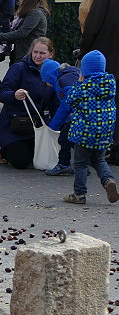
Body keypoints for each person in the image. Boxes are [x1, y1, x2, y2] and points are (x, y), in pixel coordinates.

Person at [62, 50, 117, 204]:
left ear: (85, 69)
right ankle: (108, 180)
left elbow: (70, 100)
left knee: (81, 163)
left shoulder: (84, 87)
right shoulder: (110, 85)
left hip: (84, 133)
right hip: (104, 132)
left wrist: (79, 83)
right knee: (99, 159)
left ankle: (79, 194)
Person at [0, 37, 58, 169]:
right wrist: (14, 95)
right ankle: (5, 150)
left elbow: (55, 102)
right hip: (16, 124)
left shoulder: (54, 71)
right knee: (22, 162)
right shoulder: (18, 68)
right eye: (35, 52)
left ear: (51, 54)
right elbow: (2, 94)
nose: (37, 56)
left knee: (44, 159)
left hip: (39, 124)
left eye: (42, 53)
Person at [79, 0, 118, 164]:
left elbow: (92, 27)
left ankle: (98, 148)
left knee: (100, 106)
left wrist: (83, 50)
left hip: (107, 60)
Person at [41, 59, 81, 175]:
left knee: (64, 138)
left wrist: (53, 126)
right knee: (75, 140)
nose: (47, 85)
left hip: (79, 115)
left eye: (46, 81)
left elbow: (66, 105)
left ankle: (64, 164)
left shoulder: (61, 82)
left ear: (50, 77)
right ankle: (82, 165)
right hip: (88, 114)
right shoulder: (74, 73)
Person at [0, 0, 47, 65]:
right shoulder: (31, 12)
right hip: (22, 52)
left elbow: (22, 32)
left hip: (26, 53)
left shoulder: (35, 13)